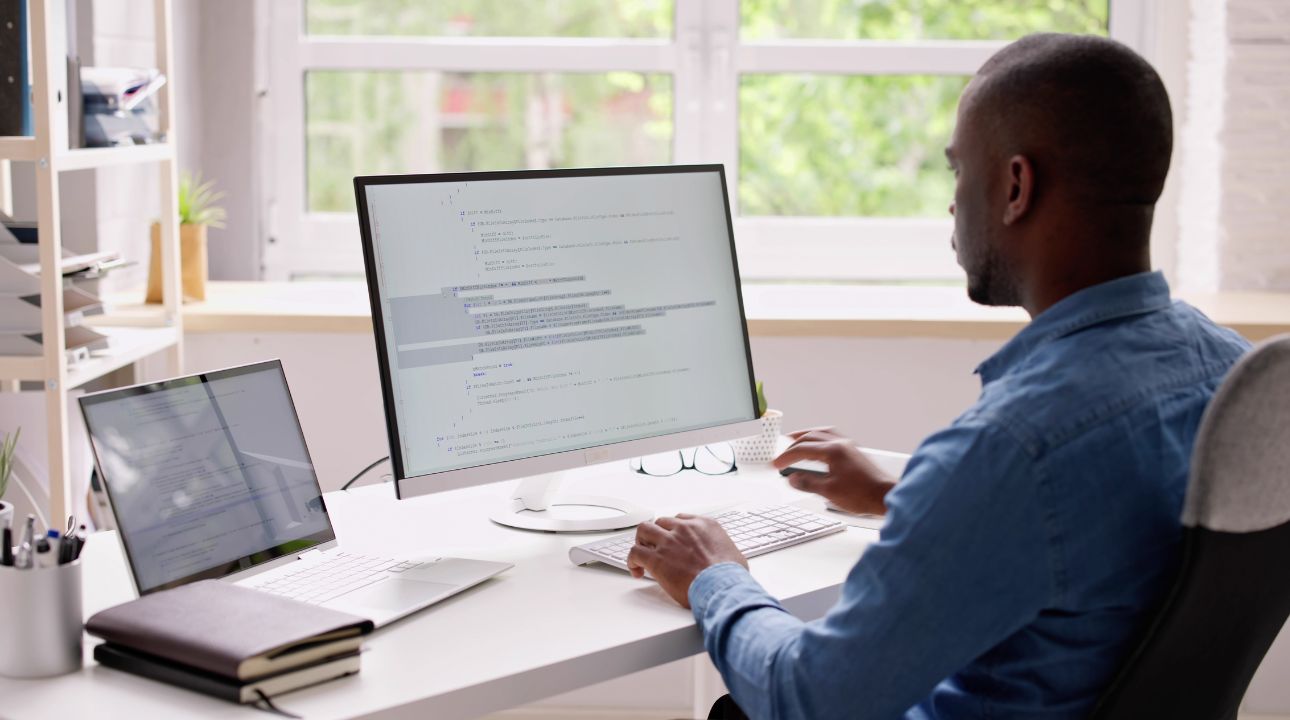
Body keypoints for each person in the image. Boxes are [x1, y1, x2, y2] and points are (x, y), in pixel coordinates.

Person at [626, 33, 1252, 719]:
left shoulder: (1014, 446)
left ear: (1016, 186)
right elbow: (1097, 543)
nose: (954, 201)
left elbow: (810, 699)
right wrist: (904, 497)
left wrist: (713, 576)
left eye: (959, 170)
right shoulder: (1229, 370)